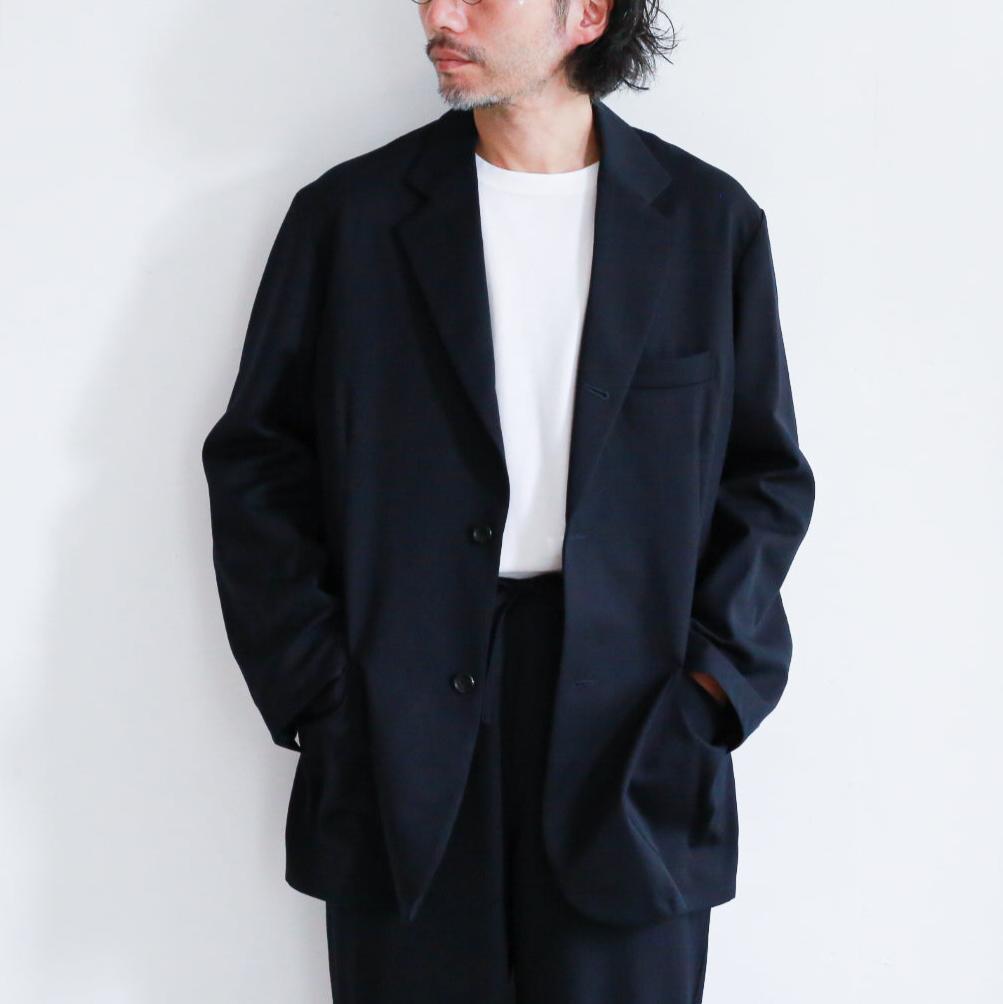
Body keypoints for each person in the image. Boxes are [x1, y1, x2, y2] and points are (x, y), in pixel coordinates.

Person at [201, 1, 815, 1000]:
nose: (440, 14)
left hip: (633, 726)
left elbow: (765, 476)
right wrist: (321, 690)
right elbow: (258, 462)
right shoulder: (351, 219)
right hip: (399, 722)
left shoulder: (707, 224)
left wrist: (710, 687)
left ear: (586, 15)